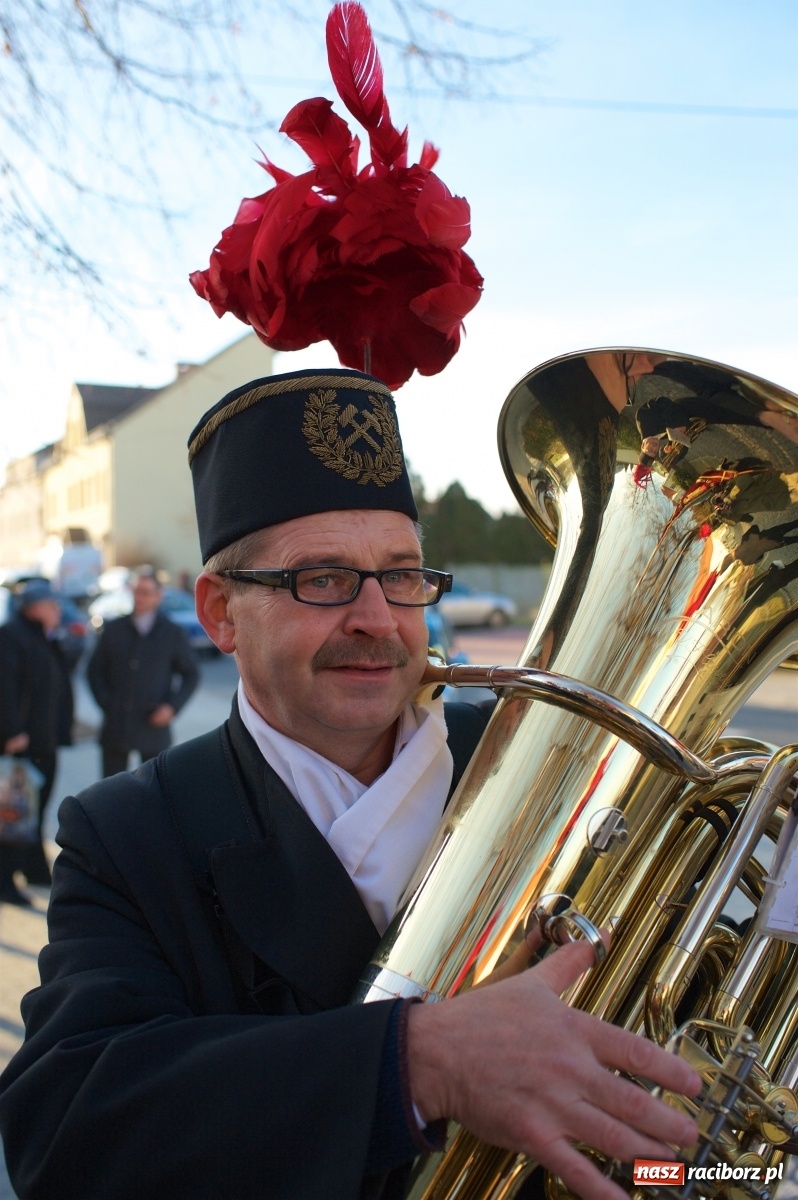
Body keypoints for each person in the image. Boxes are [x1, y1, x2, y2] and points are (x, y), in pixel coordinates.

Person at [0, 369, 701, 1200]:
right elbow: (68, 1131)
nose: (379, 617)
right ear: (221, 613)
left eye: (403, 575)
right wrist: (419, 1061)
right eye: (322, 578)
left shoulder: (549, 764)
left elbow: (683, 1049)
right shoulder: (125, 830)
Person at [0, 580, 74, 903]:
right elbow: (5, 687)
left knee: (37, 810)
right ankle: (5, 881)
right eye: (52, 605)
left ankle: (33, 869)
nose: (58, 610)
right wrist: (12, 731)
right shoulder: (11, 636)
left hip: (45, 740)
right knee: (15, 813)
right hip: (22, 743)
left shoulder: (41, 635)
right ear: (34, 607)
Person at [86, 567, 200, 776]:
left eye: (146, 593)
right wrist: (108, 703)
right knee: (109, 793)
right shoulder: (113, 629)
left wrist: (171, 707)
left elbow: (191, 674)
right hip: (116, 727)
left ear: (158, 596)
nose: (140, 598)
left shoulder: (172, 633)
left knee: (153, 792)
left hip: (153, 726)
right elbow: (94, 671)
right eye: (137, 591)